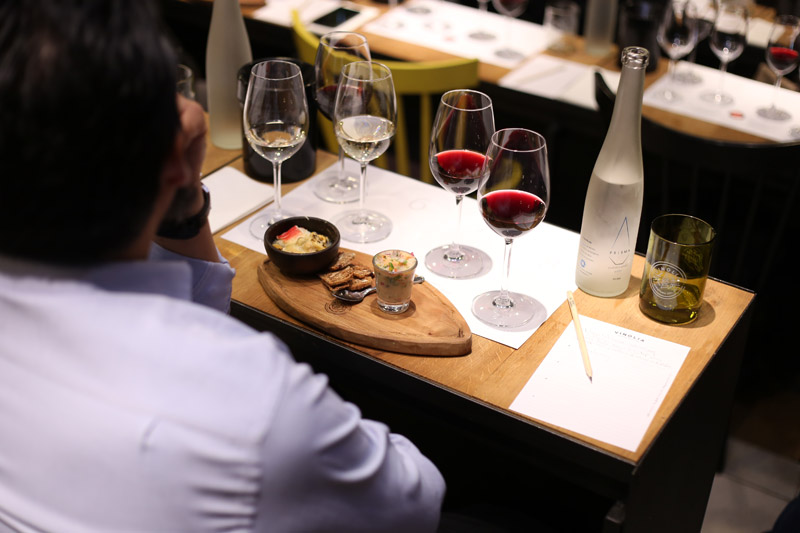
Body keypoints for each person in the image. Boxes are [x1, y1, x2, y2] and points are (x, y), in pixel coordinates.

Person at [0, 1, 445, 531]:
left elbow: (197, 323)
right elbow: (415, 500)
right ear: (175, 150)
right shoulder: (259, 403)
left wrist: (184, 209)